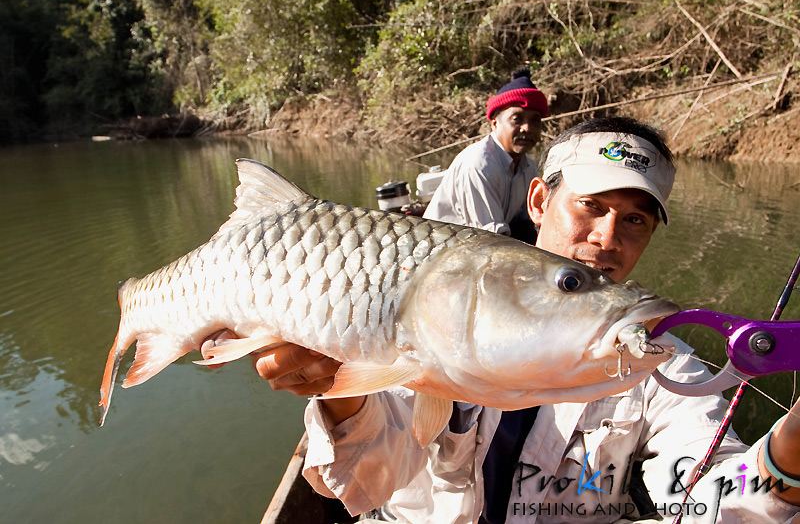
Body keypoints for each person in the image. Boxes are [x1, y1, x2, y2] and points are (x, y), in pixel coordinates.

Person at [244, 117, 800, 523]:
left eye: (635, 219)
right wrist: (338, 392)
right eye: (591, 207)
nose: (608, 239)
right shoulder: (439, 301)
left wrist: (791, 448)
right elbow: (364, 484)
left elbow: (714, 493)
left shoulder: (660, 361)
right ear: (538, 200)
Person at [422, 68, 548, 243]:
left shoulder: (528, 167)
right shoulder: (479, 164)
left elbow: (526, 223)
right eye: (517, 119)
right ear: (495, 124)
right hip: (444, 250)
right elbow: (491, 238)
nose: (527, 128)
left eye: (535, 120)